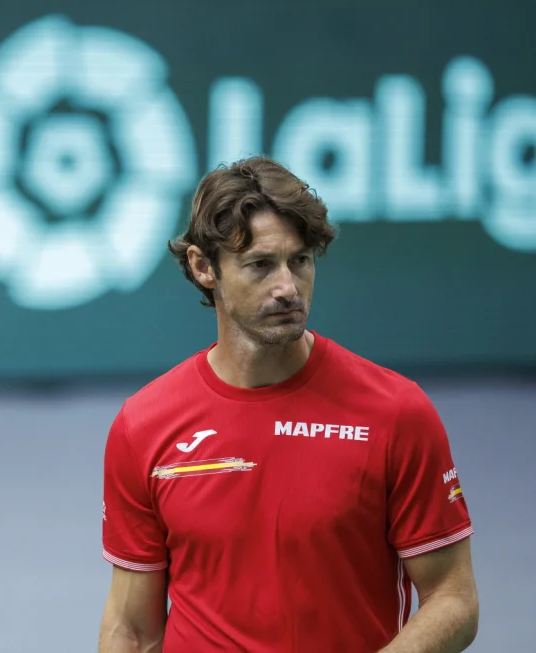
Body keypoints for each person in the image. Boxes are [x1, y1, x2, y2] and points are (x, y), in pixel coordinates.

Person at [97, 156, 479, 652]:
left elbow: (454, 598)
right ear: (202, 266)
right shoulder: (143, 426)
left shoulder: (396, 412)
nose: (287, 288)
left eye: (300, 261)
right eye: (260, 265)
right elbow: (131, 628)